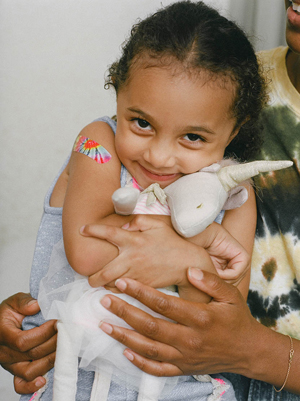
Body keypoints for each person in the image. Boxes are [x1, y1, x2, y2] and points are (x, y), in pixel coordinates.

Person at [75, 0, 300, 399]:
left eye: (193, 137)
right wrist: (199, 251)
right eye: (142, 123)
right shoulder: (99, 143)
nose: (160, 157)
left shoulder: (234, 194)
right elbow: (84, 253)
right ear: (116, 88)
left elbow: (218, 312)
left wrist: (187, 258)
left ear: (234, 131)